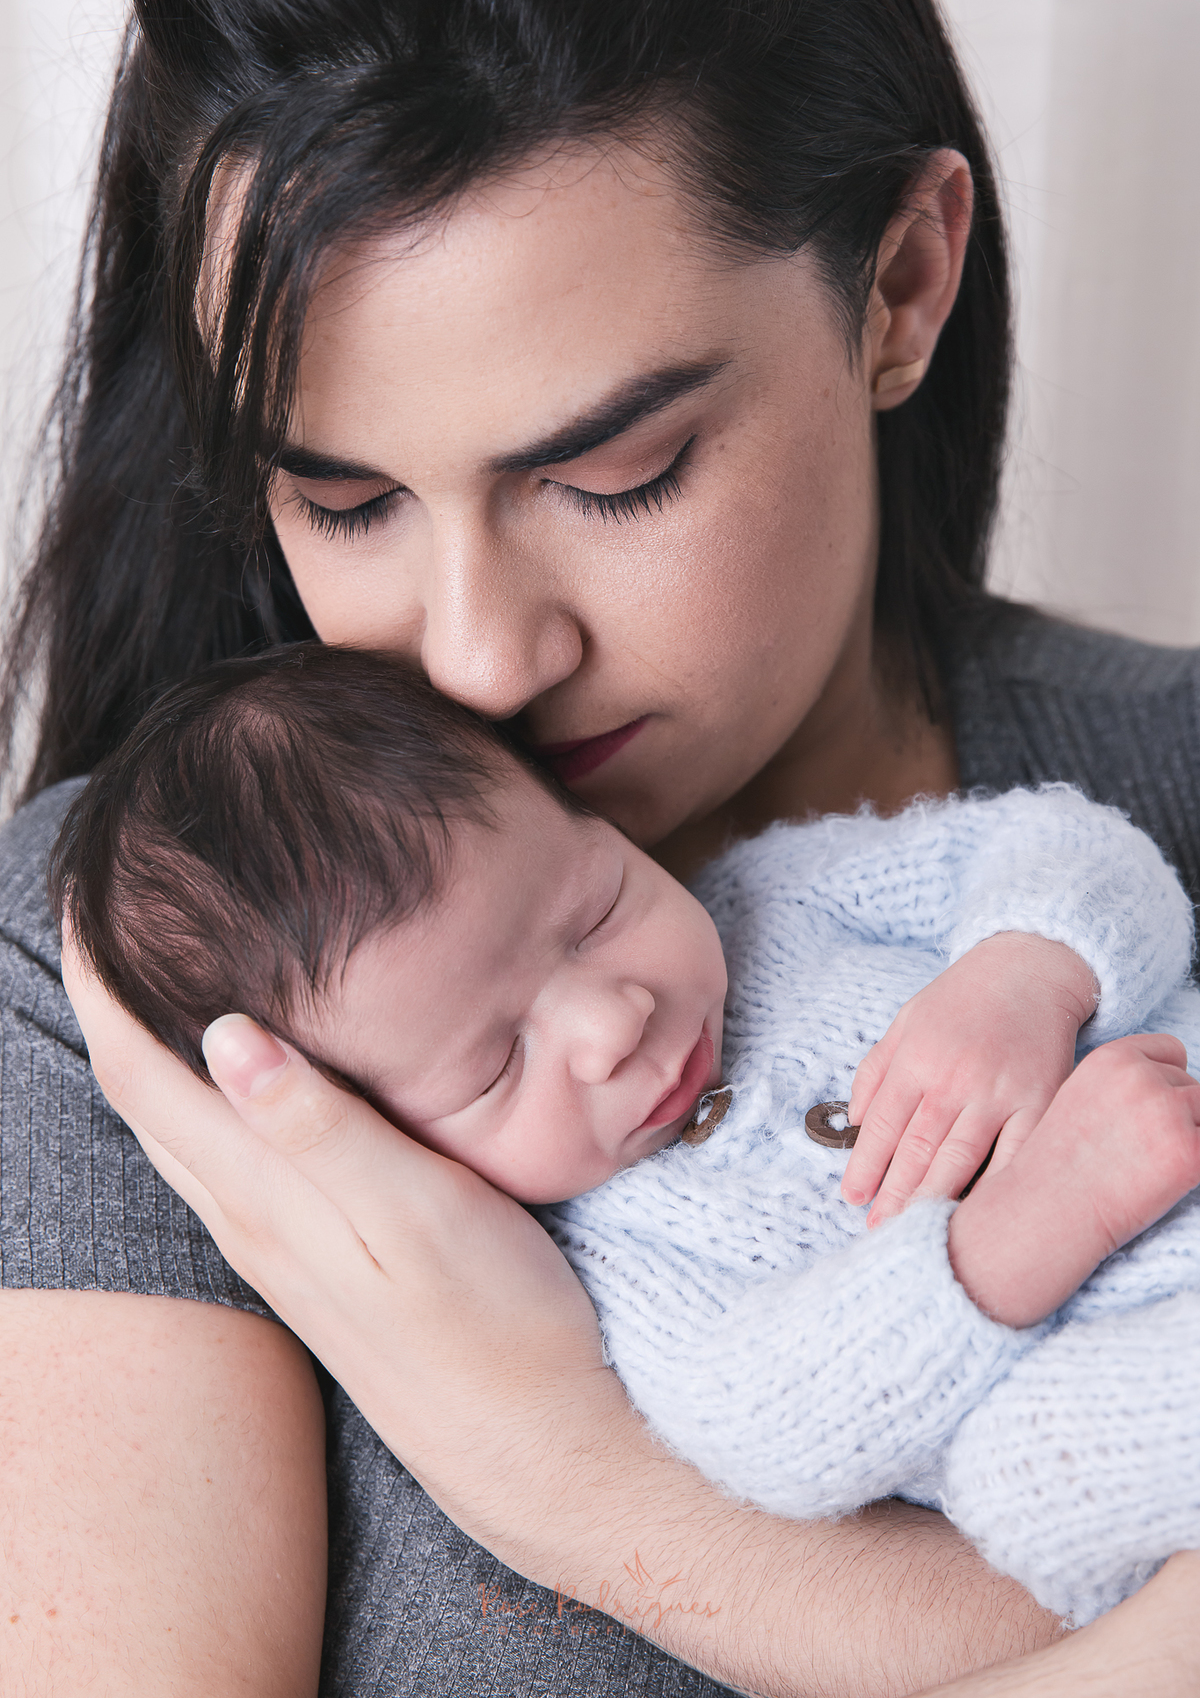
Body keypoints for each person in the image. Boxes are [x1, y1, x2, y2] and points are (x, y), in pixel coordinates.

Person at [3, 0, 1200, 1691]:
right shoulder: (167, 981)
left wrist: (554, 1466)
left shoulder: (1136, 802)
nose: (478, 660)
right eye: (342, 504)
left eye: (617, 474)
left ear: (900, 283)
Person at [52, 642, 1200, 1629]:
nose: (612, 1021)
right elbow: (774, 1424)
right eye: (497, 1062)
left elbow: (1058, 846)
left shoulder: (778, 898)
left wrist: (1023, 972)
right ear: (377, 1142)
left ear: (589, 822)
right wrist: (1027, 1230)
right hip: (1122, 1380)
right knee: (1029, 1482)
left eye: (596, 909)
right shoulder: (609, 1262)